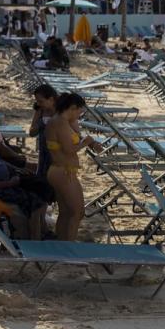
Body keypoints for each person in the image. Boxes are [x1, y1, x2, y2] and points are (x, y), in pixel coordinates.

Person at [44, 93, 97, 241]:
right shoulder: (59, 122)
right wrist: (86, 142)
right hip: (63, 171)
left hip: (61, 171)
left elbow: (74, 135)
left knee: (66, 212)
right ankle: (70, 245)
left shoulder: (62, 121)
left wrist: (75, 122)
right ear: (73, 108)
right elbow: (68, 149)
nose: (80, 114)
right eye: (80, 111)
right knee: (77, 212)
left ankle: (62, 243)